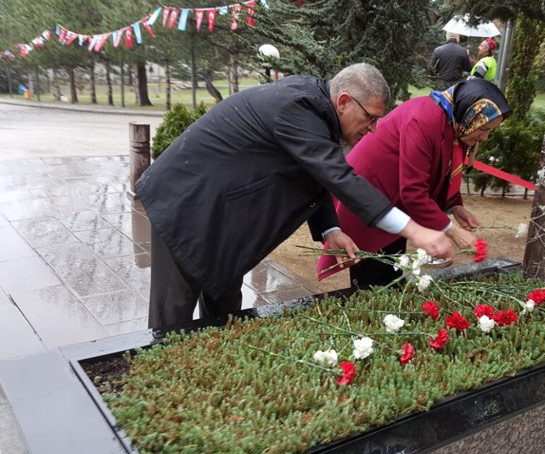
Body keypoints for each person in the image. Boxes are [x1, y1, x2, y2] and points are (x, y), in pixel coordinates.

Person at [136, 63, 455, 328]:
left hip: (223, 216)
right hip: (185, 206)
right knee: (172, 317)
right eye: (370, 117)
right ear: (344, 101)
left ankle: (214, 369)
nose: (372, 128)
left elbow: (314, 173)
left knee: (225, 305)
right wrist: (415, 230)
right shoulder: (298, 107)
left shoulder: (317, 113)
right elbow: (339, 176)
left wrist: (331, 230)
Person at [318, 79, 511, 288]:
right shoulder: (424, 119)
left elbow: (441, 169)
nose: (485, 137)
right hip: (370, 200)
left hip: (392, 203)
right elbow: (413, 192)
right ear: (470, 116)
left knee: (391, 270)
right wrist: (451, 230)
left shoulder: (451, 121)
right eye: (484, 128)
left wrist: (454, 206)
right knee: (374, 278)